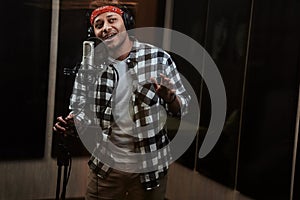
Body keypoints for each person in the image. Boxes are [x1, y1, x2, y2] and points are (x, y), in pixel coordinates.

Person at [53, 2, 191, 200]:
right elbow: (80, 108)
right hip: (106, 167)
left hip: (150, 167)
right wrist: (74, 122)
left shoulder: (158, 58)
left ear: (126, 22)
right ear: (95, 32)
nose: (106, 27)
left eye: (112, 20)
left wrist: (170, 98)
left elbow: (183, 107)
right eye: (99, 24)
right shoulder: (90, 65)